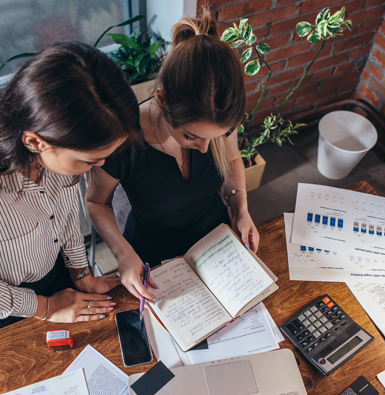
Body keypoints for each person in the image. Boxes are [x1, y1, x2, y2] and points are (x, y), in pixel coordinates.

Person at [86, 9, 259, 302]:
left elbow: (231, 159)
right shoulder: (123, 137)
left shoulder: (219, 114)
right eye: (191, 136)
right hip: (152, 256)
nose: (205, 149)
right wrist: (122, 253)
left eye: (213, 137)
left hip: (215, 241)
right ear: (162, 99)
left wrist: (240, 206)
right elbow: (95, 202)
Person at [0, 41, 143, 328]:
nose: (100, 165)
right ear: (35, 142)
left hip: (56, 276)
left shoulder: (56, 158)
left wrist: (82, 276)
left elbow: (65, 221)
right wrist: (47, 307)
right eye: (90, 160)